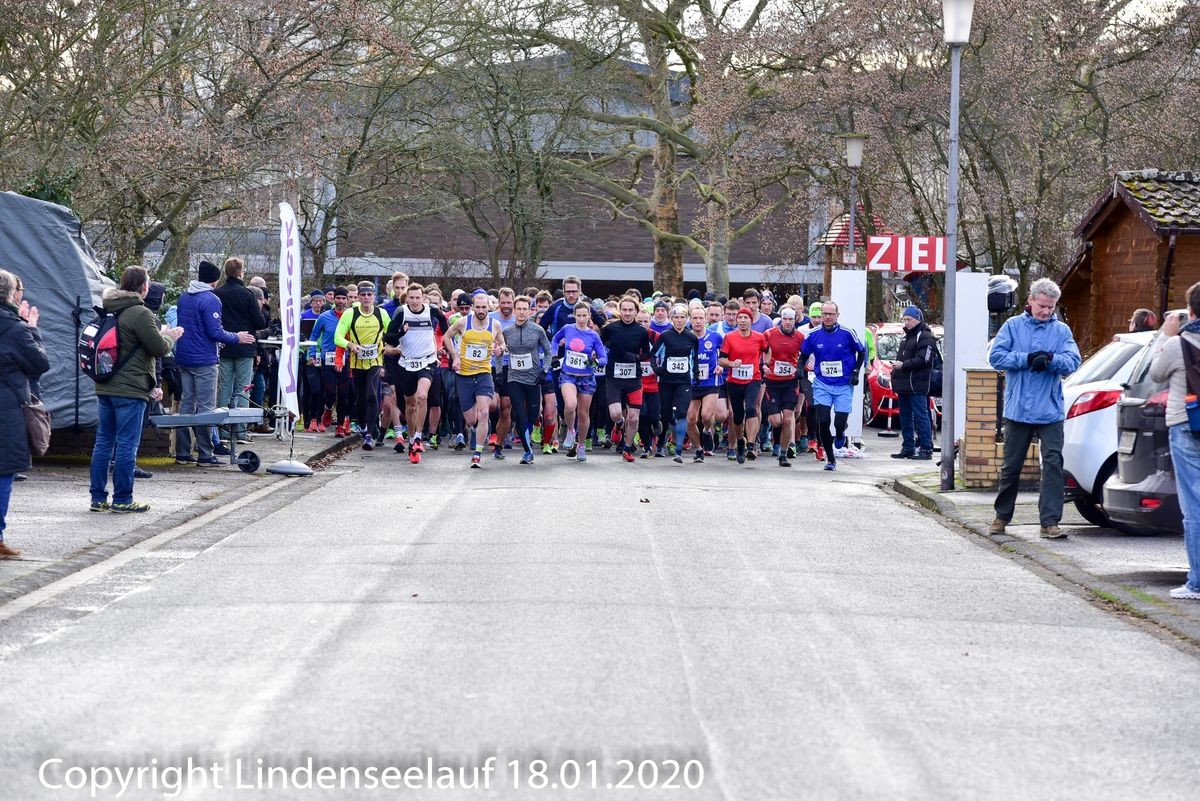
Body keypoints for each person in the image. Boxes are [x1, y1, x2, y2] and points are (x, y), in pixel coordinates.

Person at [988, 278, 1082, 539]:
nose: (1046, 311)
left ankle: (1049, 522)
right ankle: (1001, 516)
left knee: (1053, 464)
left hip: (1050, 409)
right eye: (1042, 306)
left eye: (1051, 307)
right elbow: (996, 357)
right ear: (1030, 300)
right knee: (1011, 466)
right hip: (1018, 408)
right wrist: (1027, 358)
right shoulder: (1012, 326)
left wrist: (1051, 360)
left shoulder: (1061, 331)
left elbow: (1073, 361)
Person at [89, 266, 183, 513]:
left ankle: (97, 498)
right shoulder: (140, 313)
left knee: (103, 443)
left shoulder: (110, 308)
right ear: (143, 287)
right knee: (126, 445)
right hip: (130, 389)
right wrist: (170, 336)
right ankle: (122, 499)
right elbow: (159, 348)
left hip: (105, 384)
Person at [1147, 282, 1200, 600]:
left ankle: (1197, 583)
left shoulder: (1178, 344)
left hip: (1187, 426)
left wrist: (1165, 336)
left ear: (1190, 312)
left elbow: (1155, 374)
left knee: (1194, 506)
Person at [174, 260, 256, 464]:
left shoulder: (184, 297)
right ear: (214, 280)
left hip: (184, 357)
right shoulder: (210, 299)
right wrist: (237, 337)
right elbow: (215, 332)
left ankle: (182, 452)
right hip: (204, 359)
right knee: (205, 408)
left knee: (186, 405)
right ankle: (205, 453)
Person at [0, 269, 50, 557]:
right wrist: (32, 328)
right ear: (10, 295)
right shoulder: (16, 329)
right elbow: (39, 364)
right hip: (6, 409)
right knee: (3, 472)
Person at [384, 283, 449, 464]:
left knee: (422, 396)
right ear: (407, 299)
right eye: (411, 298)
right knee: (410, 406)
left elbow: (446, 328)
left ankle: (419, 437)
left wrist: (446, 344)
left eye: (417, 297)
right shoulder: (401, 312)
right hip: (406, 363)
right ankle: (412, 441)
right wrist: (400, 332)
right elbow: (388, 337)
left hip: (427, 361)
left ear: (423, 298)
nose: (414, 301)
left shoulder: (432, 310)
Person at [801, 301, 866, 472]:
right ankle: (830, 459)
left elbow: (862, 352)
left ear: (837, 315)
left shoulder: (847, 333)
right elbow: (804, 355)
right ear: (821, 315)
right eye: (825, 314)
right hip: (822, 383)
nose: (828, 317)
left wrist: (855, 372)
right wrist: (800, 369)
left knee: (839, 422)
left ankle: (840, 433)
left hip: (843, 384)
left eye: (831, 314)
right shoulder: (813, 334)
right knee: (823, 421)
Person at [444, 292, 506, 468]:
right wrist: (455, 356)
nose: (480, 310)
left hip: (484, 374)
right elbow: (447, 337)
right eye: (477, 307)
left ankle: (477, 454)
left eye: (484, 307)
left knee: (484, 413)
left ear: (489, 307)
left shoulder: (495, 325)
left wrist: (500, 350)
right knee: (471, 420)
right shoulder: (463, 322)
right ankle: (477, 427)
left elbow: (502, 343)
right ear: (473, 307)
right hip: (464, 375)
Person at [213, 258, 266, 444]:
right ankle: (240, 431)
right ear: (241, 272)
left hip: (224, 346)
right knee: (243, 389)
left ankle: (222, 431)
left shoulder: (217, 293)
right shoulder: (247, 294)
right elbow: (259, 322)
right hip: (245, 347)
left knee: (224, 388)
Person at [334, 281, 391, 451]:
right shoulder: (350, 313)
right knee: (360, 399)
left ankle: (369, 436)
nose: (366, 298)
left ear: (374, 296)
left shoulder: (381, 313)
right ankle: (363, 426)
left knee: (372, 395)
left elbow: (391, 333)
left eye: (369, 295)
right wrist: (350, 345)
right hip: (357, 362)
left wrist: (392, 344)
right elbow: (337, 337)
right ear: (358, 297)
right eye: (363, 295)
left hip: (375, 361)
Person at [550, 302, 607, 462]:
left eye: (584, 315)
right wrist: (554, 355)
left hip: (586, 378)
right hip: (568, 375)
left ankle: (581, 445)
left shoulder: (593, 336)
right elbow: (555, 339)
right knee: (570, 405)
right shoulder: (568, 329)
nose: (581, 319)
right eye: (579, 315)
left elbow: (604, 358)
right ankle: (570, 430)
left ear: (589, 316)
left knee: (583, 414)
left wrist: (595, 362)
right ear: (574, 315)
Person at [503, 295, 554, 464]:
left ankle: (534, 425)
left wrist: (544, 370)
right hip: (514, 378)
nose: (522, 312)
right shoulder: (507, 331)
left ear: (529, 311)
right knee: (518, 414)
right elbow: (499, 351)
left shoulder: (537, 330)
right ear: (514, 310)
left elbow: (549, 352)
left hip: (533, 379)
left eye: (525, 309)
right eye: (519, 309)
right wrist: (499, 372)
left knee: (532, 416)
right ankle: (528, 451)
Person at [601, 295, 652, 463]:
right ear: (620, 311)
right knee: (616, 413)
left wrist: (636, 357)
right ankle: (619, 424)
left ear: (636, 311)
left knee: (634, 418)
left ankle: (627, 448)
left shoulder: (642, 331)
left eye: (631, 310)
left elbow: (647, 353)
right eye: (624, 310)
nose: (627, 313)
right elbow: (599, 345)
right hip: (614, 377)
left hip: (633, 379)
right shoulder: (610, 329)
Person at [718, 307, 768, 464]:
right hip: (734, 381)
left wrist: (765, 364)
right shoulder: (730, 337)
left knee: (752, 409)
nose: (742, 321)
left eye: (746, 318)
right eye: (740, 318)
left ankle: (751, 445)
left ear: (751, 321)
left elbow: (767, 350)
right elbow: (721, 360)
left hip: (753, 379)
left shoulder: (759, 337)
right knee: (737, 416)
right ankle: (740, 441)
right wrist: (731, 363)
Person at [889, 305, 937, 461]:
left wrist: (903, 365)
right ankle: (908, 447)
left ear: (918, 319)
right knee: (905, 417)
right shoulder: (906, 337)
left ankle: (926, 448)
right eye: (904, 319)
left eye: (909, 319)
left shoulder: (926, 336)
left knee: (921, 416)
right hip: (904, 384)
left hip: (917, 384)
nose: (906, 323)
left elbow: (925, 360)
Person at [653, 304, 699, 463]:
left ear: (687, 319)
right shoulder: (665, 336)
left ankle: (678, 450)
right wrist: (657, 369)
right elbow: (653, 355)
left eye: (682, 317)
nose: (679, 320)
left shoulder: (692, 337)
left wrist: (696, 375)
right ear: (672, 319)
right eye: (676, 317)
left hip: (684, 381)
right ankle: (661, 443)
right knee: (665, 415)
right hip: (666, 381)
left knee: (681, 412)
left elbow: (695, 358)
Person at [763, 306, 804, 467]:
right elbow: (760, 351)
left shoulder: (800, 337)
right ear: (781, 319)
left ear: (795, 320)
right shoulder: (769, 334)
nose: (787, 322)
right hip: (772, 382)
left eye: (790, 319)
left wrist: (801, 368)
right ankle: (776, 439)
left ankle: (783, 453)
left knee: (788, 419)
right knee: (776, 421)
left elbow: (806, 355)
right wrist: (763, 365)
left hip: (790, 383)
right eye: (785, 319)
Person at [310, 286, 351, 435]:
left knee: (344, 395)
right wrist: (312, 354)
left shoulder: (351, 316)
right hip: (328, 359)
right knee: (330, 392)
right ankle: (328, 408)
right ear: (333, 299)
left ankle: (340, 425)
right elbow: (314, 336)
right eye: (338, 298)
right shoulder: (324, 317)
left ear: (347, 300)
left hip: (345, 359)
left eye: (343, 298)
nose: (340, 301)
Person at [687, 304, 725, 463]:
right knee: (690, 419)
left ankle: (708, 430)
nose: (698, 321)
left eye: (701, 318)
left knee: (706, 416)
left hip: (711, 381)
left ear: (706, 319)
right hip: (691, 383)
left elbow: (725, 355)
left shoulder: (716, 337)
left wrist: (721, 366)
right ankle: (698, 448)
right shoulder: (685, 337)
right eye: (694, 318)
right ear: (690, 319)